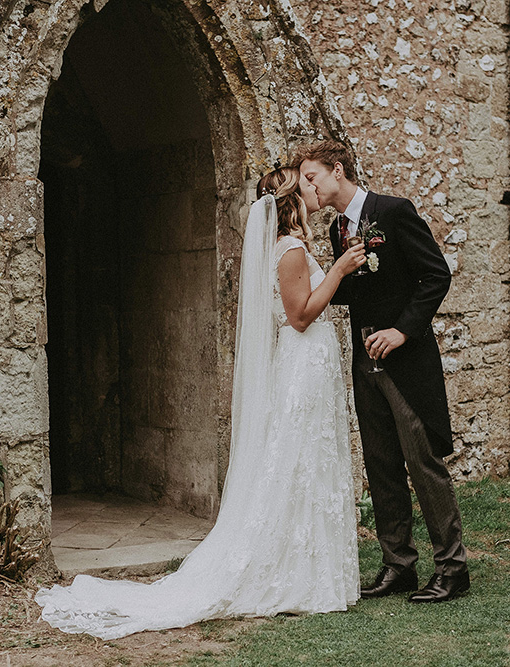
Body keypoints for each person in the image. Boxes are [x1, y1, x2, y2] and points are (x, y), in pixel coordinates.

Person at [35, 167, 367, 639]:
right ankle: (293, 569)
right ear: (292, 199)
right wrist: (338, 269)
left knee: (305, 461)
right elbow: (299, 316)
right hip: (302, 364)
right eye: (307, 183)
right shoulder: (291, 250)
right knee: (296, 459)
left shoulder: (295, 246)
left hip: (310, 364)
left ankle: (309, 563)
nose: (317, 188)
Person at [296, 140, 469, 603]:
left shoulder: (393, 212)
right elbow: (355, 291)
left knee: (423, 462)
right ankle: (399, 566)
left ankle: (452, 569)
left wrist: (402, 332)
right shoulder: (337, 230)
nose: (308, 187)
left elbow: (436, 275)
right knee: (381, 464)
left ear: (337, 170)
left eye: (312, 177)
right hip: (363, 357)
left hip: (405, 360)